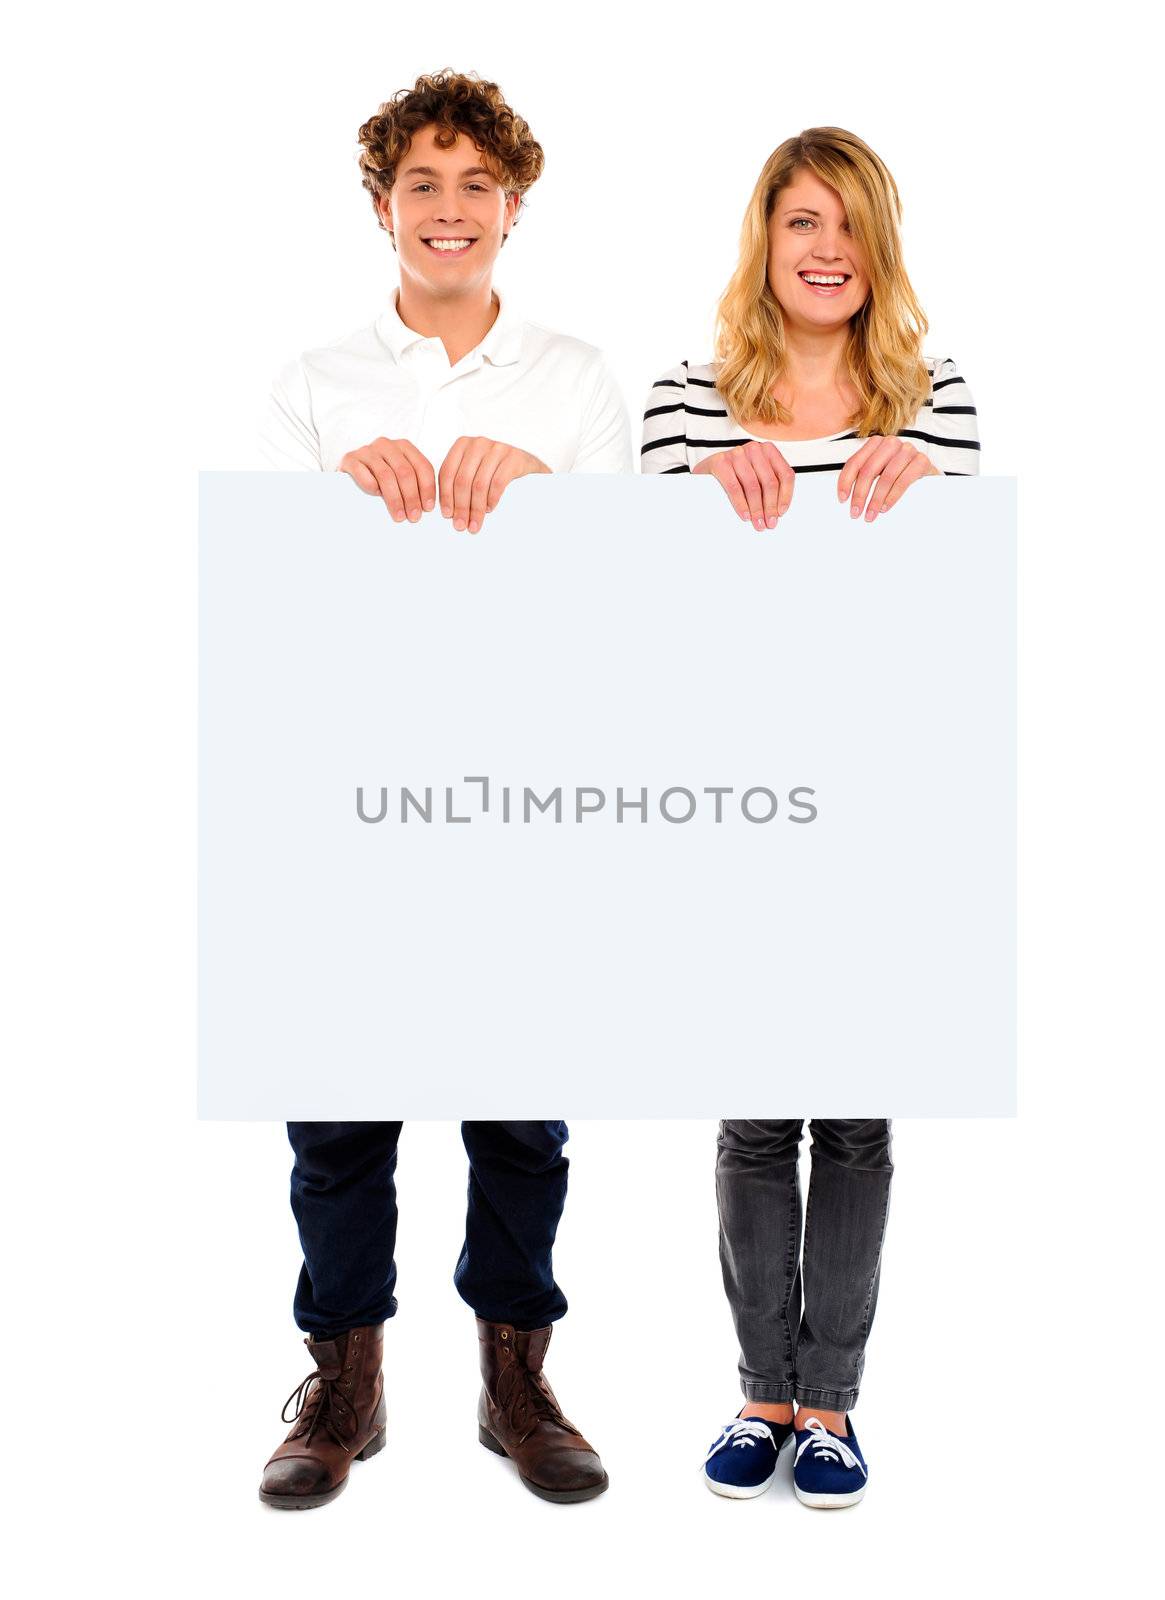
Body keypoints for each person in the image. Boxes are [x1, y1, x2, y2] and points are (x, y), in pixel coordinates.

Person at [257, 71, 629, 1511]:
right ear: (381, 206)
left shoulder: (576, 376)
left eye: (477, 184)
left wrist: (532, 485)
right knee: (337, 1106)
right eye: (423, 183)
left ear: (514, 206)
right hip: (344, 787)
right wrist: (330, 506)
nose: (450, 209)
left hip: (521, 789)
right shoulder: (311, 383)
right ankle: (342, 1378)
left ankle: (513, 1373)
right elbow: (266, 610)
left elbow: (638, 601)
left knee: (514, 1108)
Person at [641, 127, 979, 1508]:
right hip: (728, 808)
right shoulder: (682, 394)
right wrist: (694, 514)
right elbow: (638, 616)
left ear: (876, 245)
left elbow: (957, 616)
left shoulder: (930, 395)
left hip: (883, 810)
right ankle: (757, 1391)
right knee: (749, 1117)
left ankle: (829, 1407)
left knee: (850, 1121)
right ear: (762, 240)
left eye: (847, 223)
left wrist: (924, 492)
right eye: (798, 221)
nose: (823, 248)